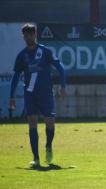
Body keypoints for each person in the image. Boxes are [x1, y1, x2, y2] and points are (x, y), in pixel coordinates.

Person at [9, 23, 66, 167]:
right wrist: (12, 96)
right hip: (30, 94)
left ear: (35, 35)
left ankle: (48, 146)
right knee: (32, 123)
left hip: (46, 94)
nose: (29, 37)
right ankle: (36, 158)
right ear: (23, 36)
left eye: (31, 34)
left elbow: (60, 68)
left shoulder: (45, 51)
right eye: (26, 35)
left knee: (50, 124)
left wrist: (63, 85)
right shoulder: (22, 56)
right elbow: (16, 76)